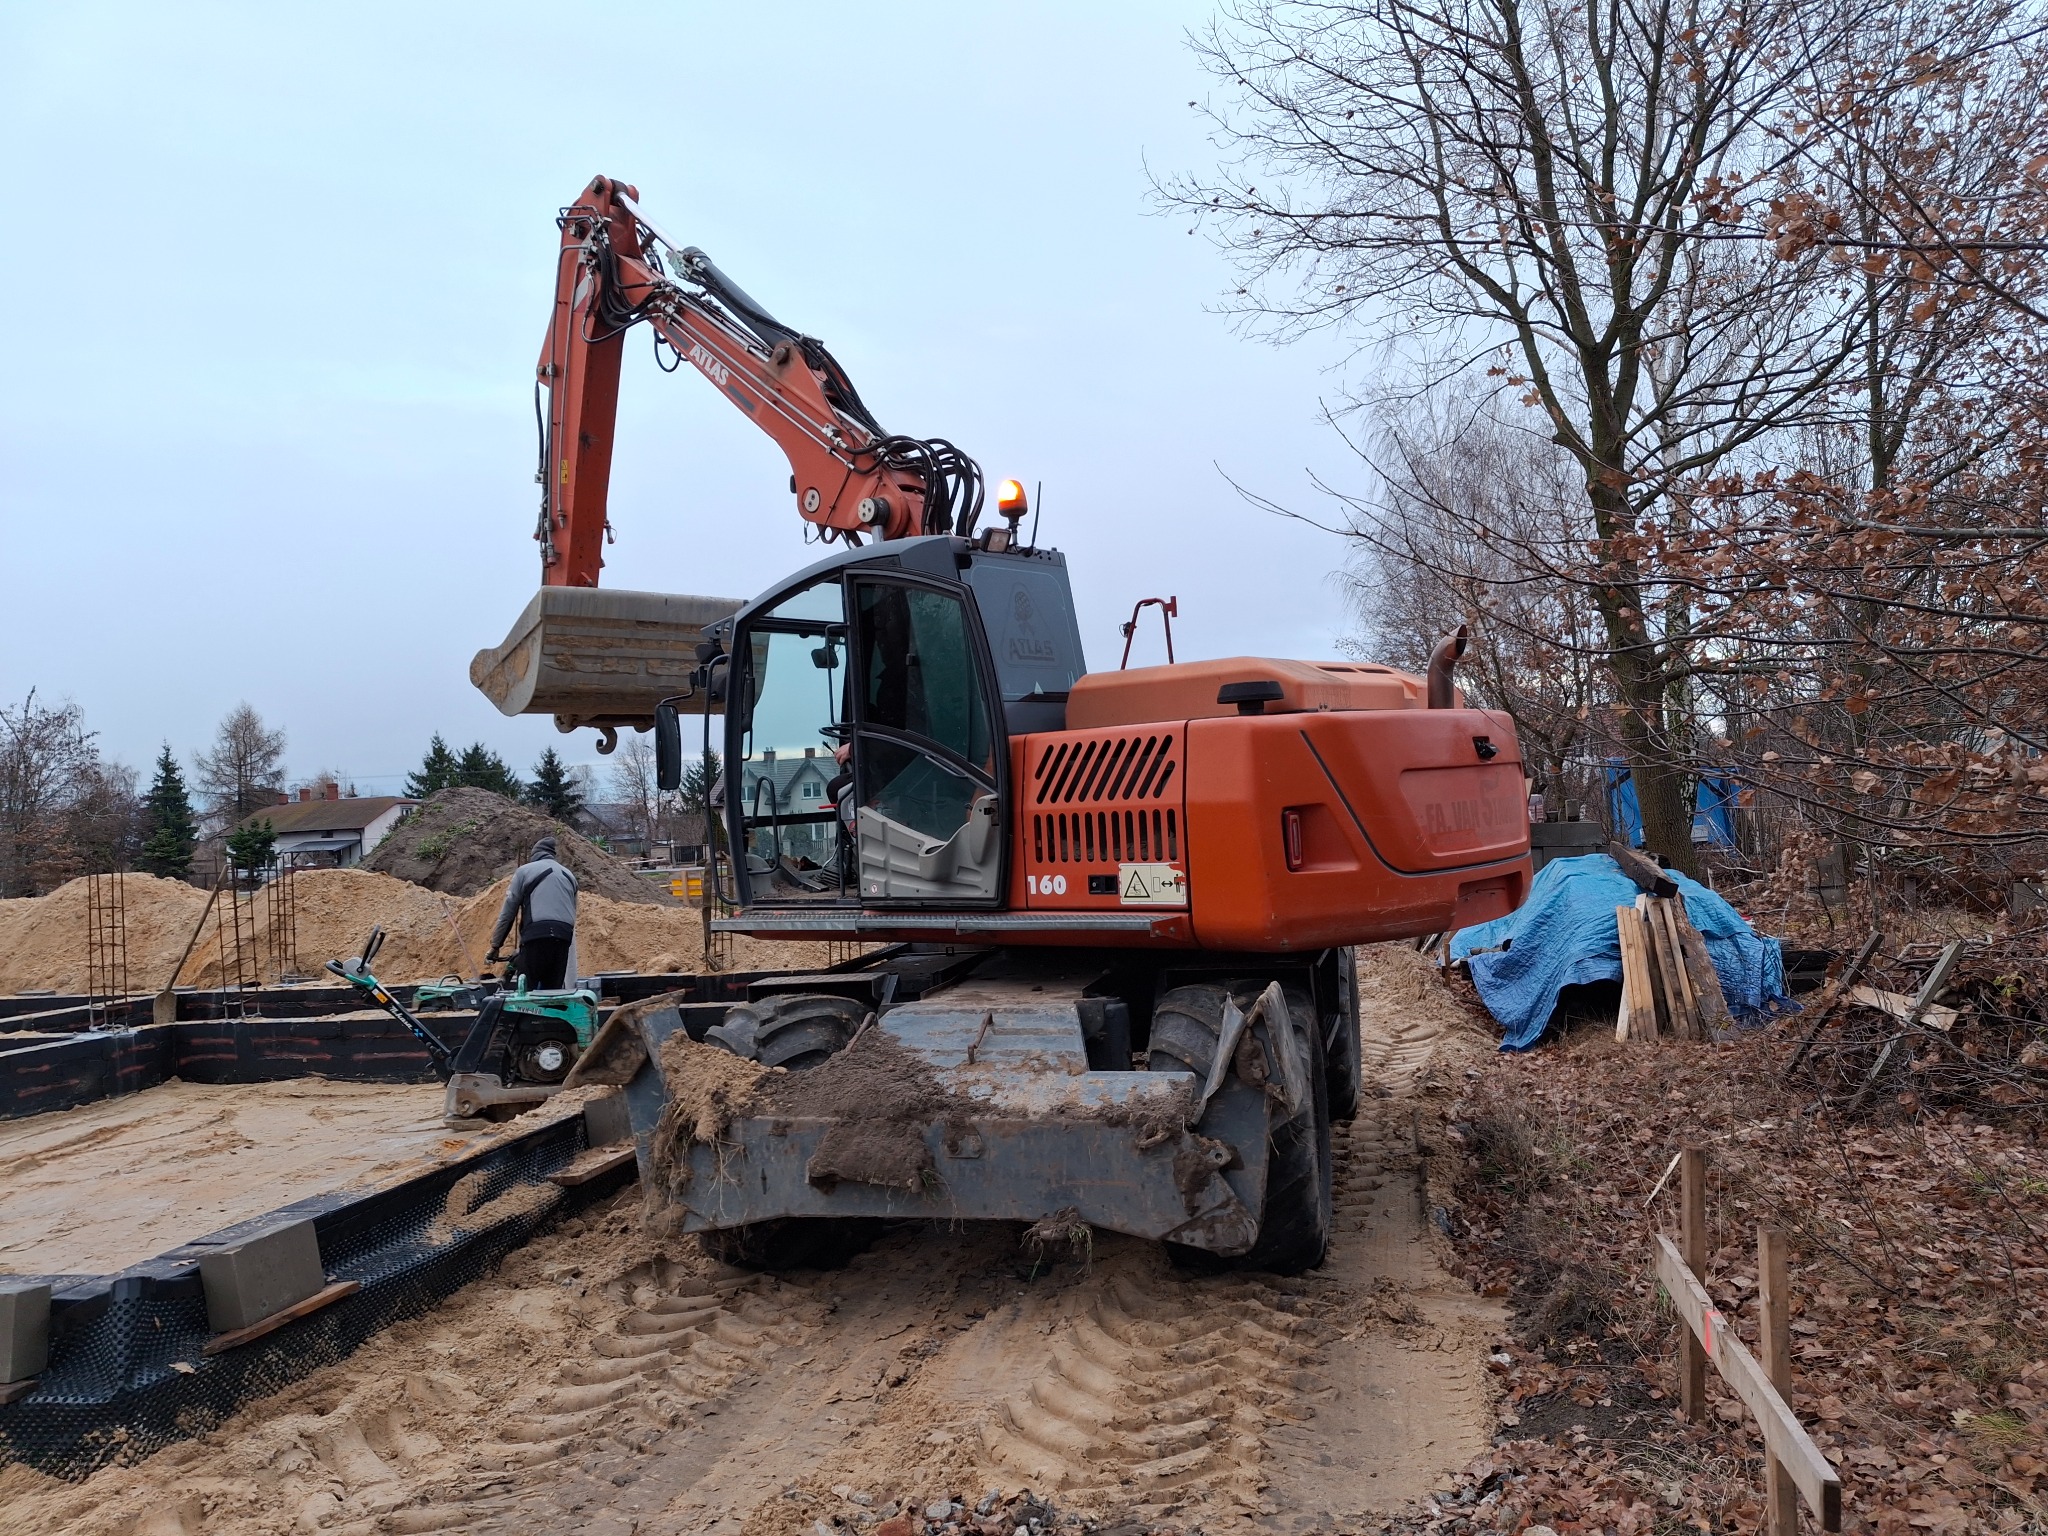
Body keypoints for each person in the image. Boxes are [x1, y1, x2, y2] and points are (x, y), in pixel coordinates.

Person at [486, 836, 579, 989]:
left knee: (527, 992)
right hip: (563, 937)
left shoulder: (524, 872)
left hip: (536, 936)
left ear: (534, 855)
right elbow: (572, 913)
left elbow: (508, 913)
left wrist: (495, 946)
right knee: (553, 994)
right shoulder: (569, 876)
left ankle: (526, 1012)